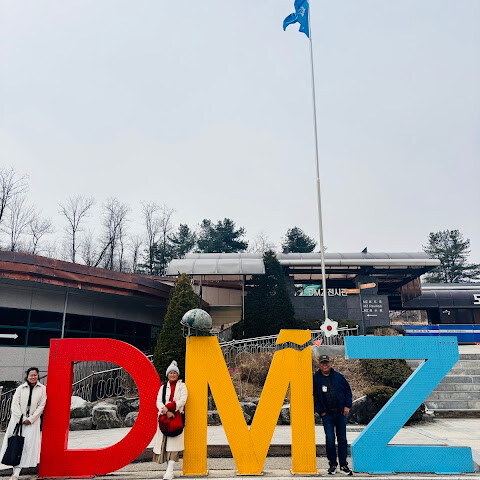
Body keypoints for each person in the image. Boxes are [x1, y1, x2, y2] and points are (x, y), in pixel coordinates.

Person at [0, 367, 47, 480]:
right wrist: (22, 419)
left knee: (26, 447)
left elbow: (42, 405)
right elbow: (14, 405)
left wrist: (31, 419)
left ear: (38, 376)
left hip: (32, 422)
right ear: (27, 376)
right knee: (15, 444)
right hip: (18, 421)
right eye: (31, 375)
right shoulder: (20, 389)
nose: (33, 377)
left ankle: (18, 472)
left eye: (35, 375)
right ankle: (15, 472)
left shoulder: (42, 389)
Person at [313, 354, 353, 476]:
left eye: (327, 362)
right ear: (319, 365)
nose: (325, 365)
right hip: (327, 415)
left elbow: (348, 390)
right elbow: (314, 396)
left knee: (342, 439)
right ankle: (333, 464)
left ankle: (343, 465)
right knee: (330, 439)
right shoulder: (315, 379)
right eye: (323, 363)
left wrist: (347, 406)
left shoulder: (338, 376)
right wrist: (321, 412)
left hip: (340, 413)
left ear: (330, 363)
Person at [153, 361, 188, 480]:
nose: (172, 375)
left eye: (174, 373)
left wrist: (170, 407)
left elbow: (183, 400)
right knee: (165, 444)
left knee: (174, 445)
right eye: (170, 373)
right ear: (167, 374)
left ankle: (170, 470)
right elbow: (158, 402)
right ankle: (169, 469)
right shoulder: (163, 387)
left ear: (177, 375)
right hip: (164, 418)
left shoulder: (182, 386)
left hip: (176, 418)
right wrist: (166, 411)